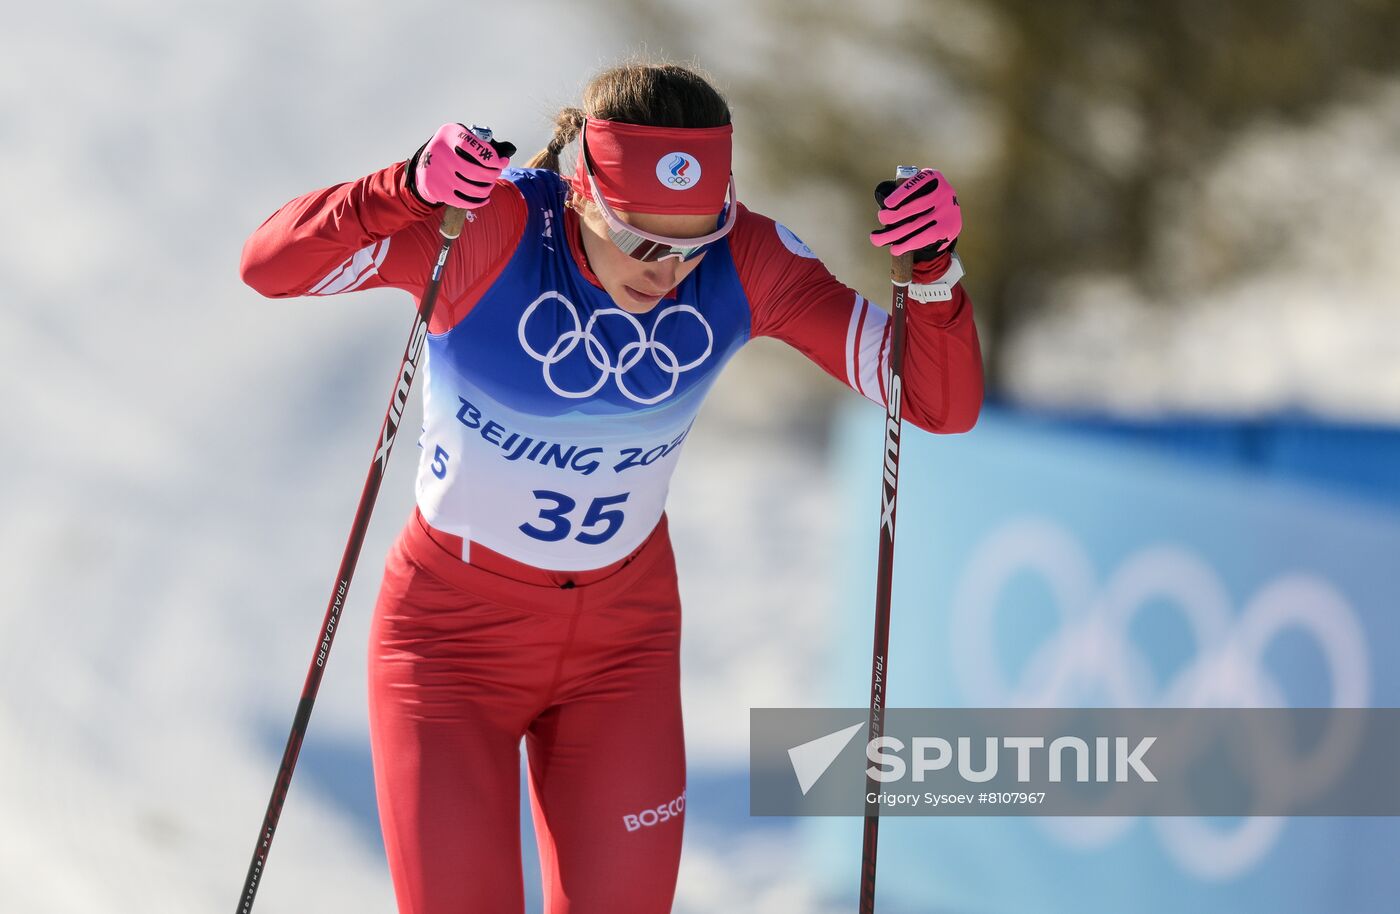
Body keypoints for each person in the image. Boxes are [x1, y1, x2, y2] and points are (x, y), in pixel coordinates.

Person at [240, 61, 982, 914]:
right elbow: (270, 266)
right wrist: (399, 188)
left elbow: (934, 401)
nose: (668, 270)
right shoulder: (491, 228)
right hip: (449, 641)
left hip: (619, 647)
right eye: (639, 239)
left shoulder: (745, 260)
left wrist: (932, 272)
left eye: (693, 241)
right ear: (582, 192)